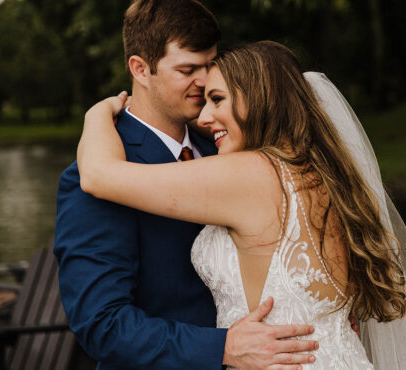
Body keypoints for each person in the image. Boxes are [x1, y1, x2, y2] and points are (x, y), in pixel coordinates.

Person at [77, 41, 406, 369]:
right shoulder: (328, 174)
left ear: (259, 99)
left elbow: (97, 174)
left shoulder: (251, 175)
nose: (204, 116)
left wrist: (99, 115)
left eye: (217, 99)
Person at [54, 1, 317, 369]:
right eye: (187, 69)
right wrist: (222, 348)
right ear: (140, 69)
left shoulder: (231, 146)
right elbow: (102, 324)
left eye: (210, 65)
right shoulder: (95, 174)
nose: (204, 80)